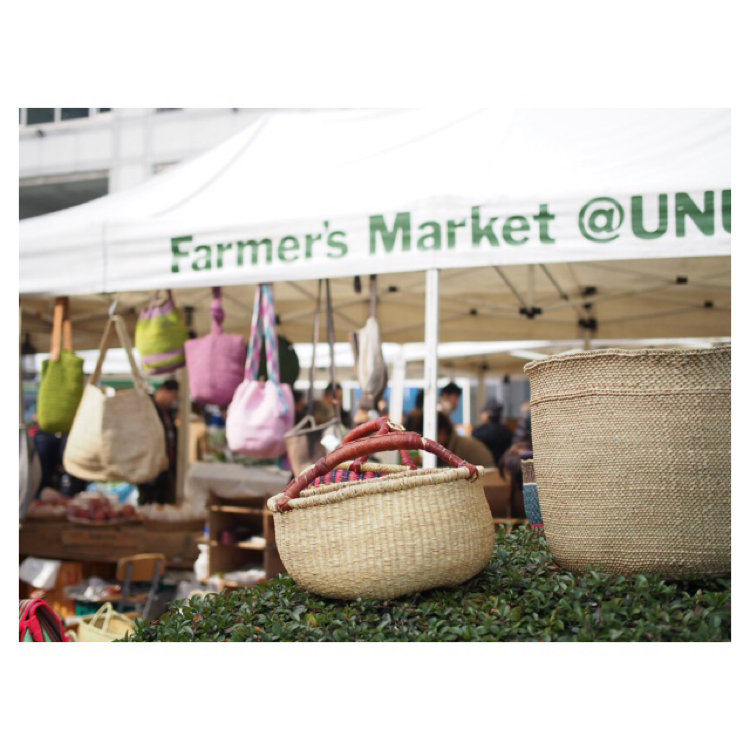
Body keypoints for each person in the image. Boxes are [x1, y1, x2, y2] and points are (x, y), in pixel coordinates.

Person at [138, 378, 179, 505]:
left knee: (165, 502)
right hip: (151, 467)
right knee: (149, 502)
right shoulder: (149, 409)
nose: (174, 401)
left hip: (166, 468)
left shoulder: (169, 412)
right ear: (163, 390)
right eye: (173, 396)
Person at [405, 410, 494, 468]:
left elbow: (489, 478)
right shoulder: (441, 450)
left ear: (442, 433)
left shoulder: (471, 449)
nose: (422, 443)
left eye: (423, 437)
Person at [472, 398, 513, 466]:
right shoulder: (506, 432)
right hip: (501, 468)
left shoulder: (478, 432)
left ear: (487, 415)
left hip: (483, 468)